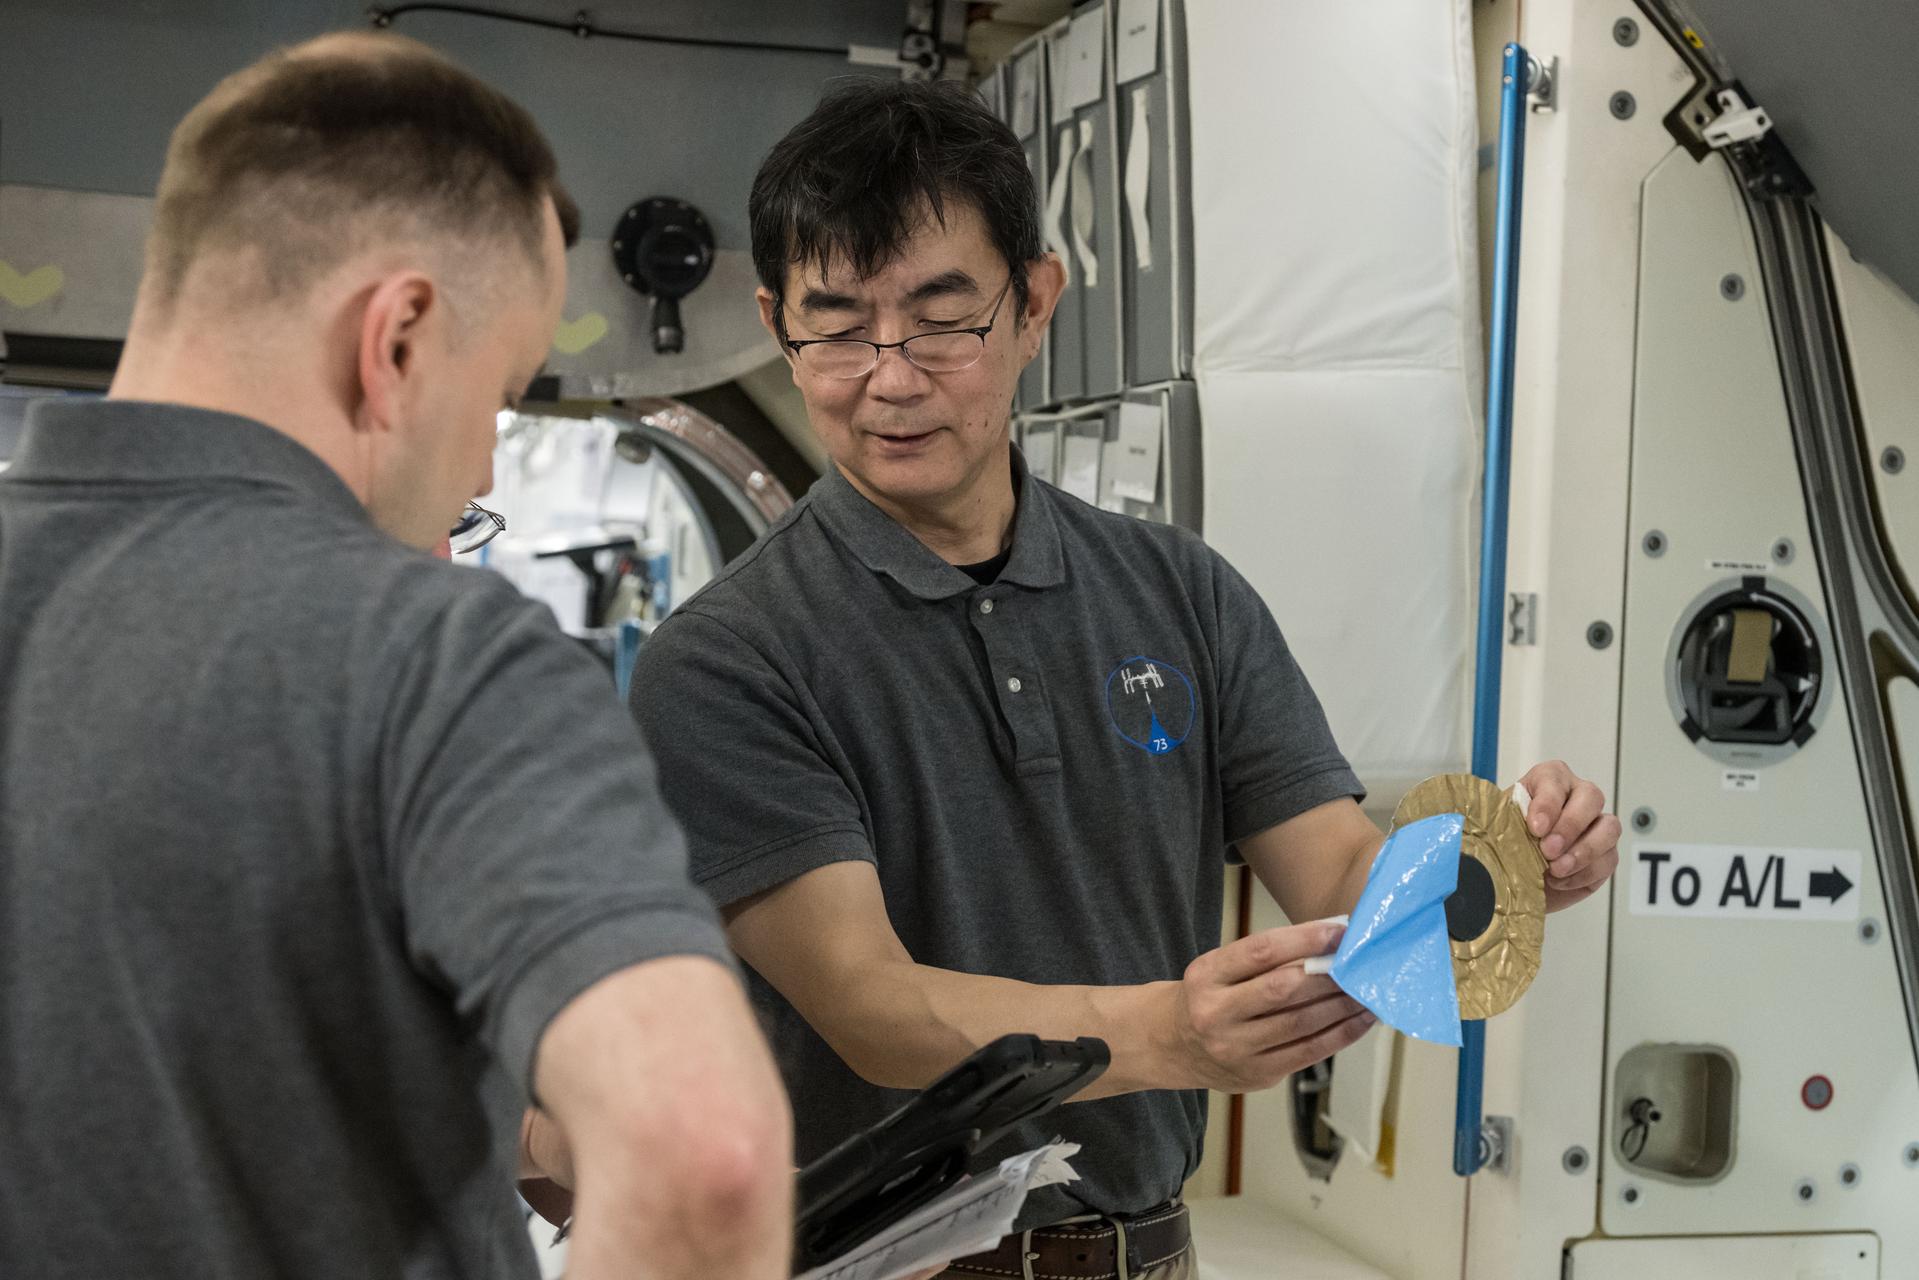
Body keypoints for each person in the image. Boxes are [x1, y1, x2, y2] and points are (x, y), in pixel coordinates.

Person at [630, 78, 1621, 1280]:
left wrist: (1502, 872)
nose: (886, 377)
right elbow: (873, 1007)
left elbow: (1351, 882)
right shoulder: (726, 660)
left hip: (1150, 1252)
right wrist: (1169, 1033)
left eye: (942, 317)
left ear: (1034, 301)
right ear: (775, 323)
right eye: (834, 325)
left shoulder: (1182, 595)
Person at [0, 32, 792, 1280]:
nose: (482, 466)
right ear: (400, 337)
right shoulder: (439, 657)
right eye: (499, 395)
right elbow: (707, 1156)